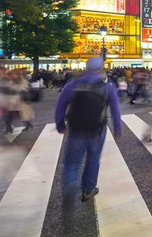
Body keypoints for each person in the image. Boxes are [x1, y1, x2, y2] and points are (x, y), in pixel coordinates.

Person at [55, 58, 121, 220]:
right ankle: (88, 189)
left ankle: (70, 187)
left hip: (76, 129)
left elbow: (60, 105)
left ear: (86, 68)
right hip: (97, 130)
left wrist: (60, 124)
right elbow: (115, 110)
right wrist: (118, 130)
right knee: (93, 159)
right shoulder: (108, 87)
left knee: (72, 163)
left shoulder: (72, 84)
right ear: (101, 70)